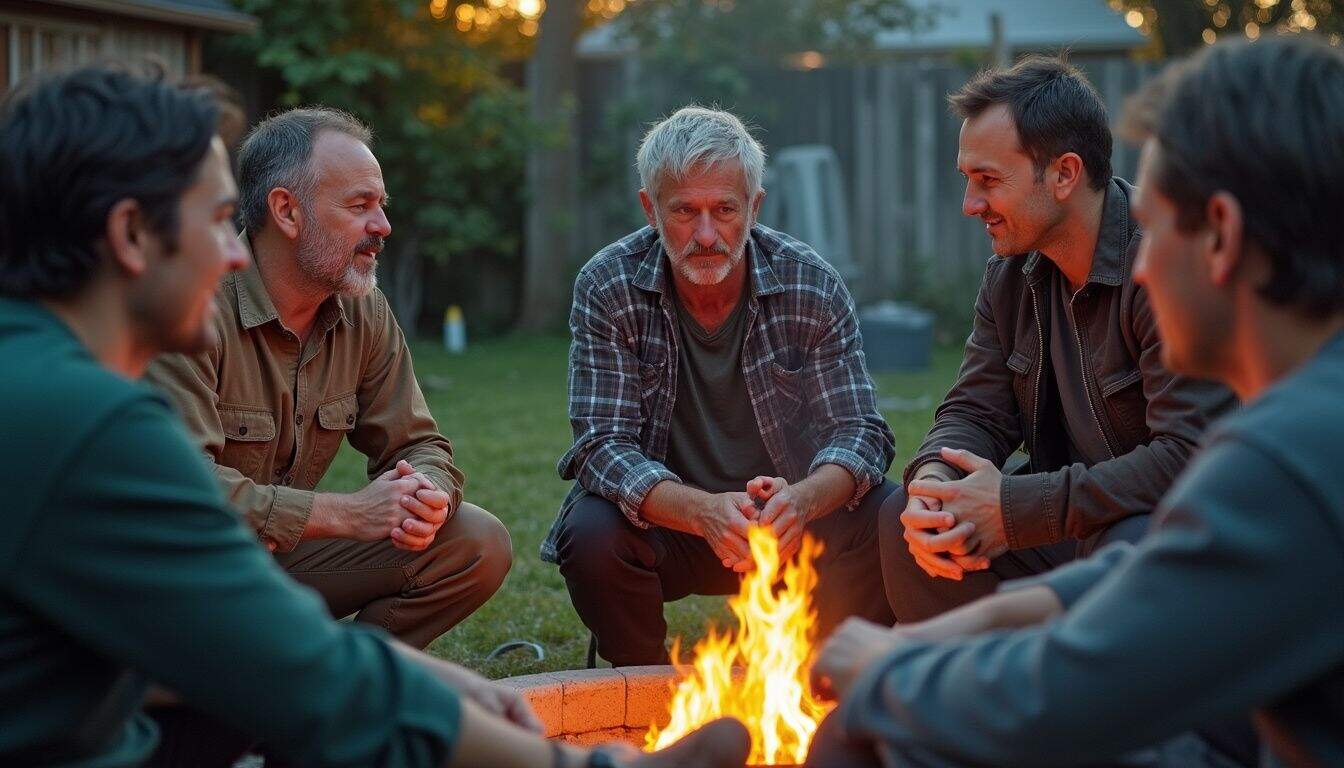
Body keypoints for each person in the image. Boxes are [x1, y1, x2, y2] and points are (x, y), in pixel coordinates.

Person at [0, 64, 749, 768]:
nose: (232, 255)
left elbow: (219, 635)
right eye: (222, 221)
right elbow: (270, 656)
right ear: (132, 235)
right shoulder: (82, 421)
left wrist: (404, 659)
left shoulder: (39, 378)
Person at [809, 34, 1344, 768]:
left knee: (855, 741)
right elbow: (1142, 579)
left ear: (1220, 236)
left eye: (1154, 231)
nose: (1143, 267)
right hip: (1137, 605)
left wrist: (890, 675)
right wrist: (940, 498)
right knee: (912, 522)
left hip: (1128, 535)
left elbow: (1063, 691)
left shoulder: (1286, 458)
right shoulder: (1308, 423)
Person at [878, 55, 1233, 622]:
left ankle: (1108, 704)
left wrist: (1016, 508)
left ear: (1065, 174)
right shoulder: (1012, 274)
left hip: (1161, 529)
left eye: (988, 181)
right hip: (1064, 526)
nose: (970, 205)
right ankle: (975, 702)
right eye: (967, 180)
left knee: (1136, 542)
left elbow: (1189, 456)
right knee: (908, 525)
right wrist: (934, 484)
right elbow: (977, 407)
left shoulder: (1162, 264)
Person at [145, 107, 510, 650]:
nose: (383, 226)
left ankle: (353, 692)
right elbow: (178, 493)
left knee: (474, 542)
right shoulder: (193, 307)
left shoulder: (362, 309)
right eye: (360, 206)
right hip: (179, 575)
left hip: (277, 563)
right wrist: (344, 513)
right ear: (287, 212)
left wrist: (425, 493)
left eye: (381, 205)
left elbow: (418, 442)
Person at [545, 106, 898, 666]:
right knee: (590, 532)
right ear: (650, 208)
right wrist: (703, 511)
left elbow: (859, 433)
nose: (706, 235)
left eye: (725, 210)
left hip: (788, 524)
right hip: (672, 523)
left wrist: (799, 501)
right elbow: (600, 446)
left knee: (886, 510)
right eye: (684, 211)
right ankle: (639, 690)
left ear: (754, 206)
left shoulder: (812, 282)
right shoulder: (608, 283)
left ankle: (827, 678)